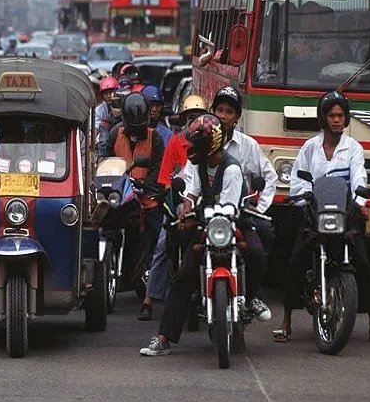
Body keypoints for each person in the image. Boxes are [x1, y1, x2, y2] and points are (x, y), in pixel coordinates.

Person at [140, 113, 268, 356]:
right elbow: (190, 191)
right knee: (183, 274)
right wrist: (186, 206)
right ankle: (163, 337)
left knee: (257, 252)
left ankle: (250, 298)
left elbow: (229, 208)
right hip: (206, 223)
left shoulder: (231, 169)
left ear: (209, 146)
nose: (188, 148)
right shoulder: (196, 164)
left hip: (232, 221)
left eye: (194, 144)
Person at [273, 91, 370, 344]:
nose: (336, 120)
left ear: (346, 119)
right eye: (331, 115)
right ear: (323, 118)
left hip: (344, 215)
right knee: (295, 261)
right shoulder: (310, 147)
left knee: (364, 263)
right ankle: (286, 321)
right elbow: (298, 179)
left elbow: (359, 178)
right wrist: (303, 199)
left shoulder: (353, 148)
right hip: (315, 213)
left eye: (340, 115)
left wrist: (360, 203)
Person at [138, 94, 207, 321]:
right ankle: (149, 300)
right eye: (191, 117)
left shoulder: (211, 143)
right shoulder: (175, 143)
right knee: (162, 246)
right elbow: (165, 178)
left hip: (202, 205)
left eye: (198, 117)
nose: (195, 121)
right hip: (177, 202)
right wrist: (173, 197)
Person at [209, 86, 276, 312]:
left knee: (261, 243)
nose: (223, 116)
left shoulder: (249, 145)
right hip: (207, 214)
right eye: (219, 110)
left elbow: (269, 176)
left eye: (229, 111)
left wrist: (260, 207)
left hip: (240, 214)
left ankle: (252, 294)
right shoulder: (202, 140)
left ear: (237, 117)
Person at [99, 94, 164, 307]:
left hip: (147, 195)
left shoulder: (156, 138)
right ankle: (105, 261)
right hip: (120, 193)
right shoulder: (114, 134)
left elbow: (157, 168)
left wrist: (150, 187)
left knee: (155, 231)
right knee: (105, 223)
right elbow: (105, 160)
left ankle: (150, 273)